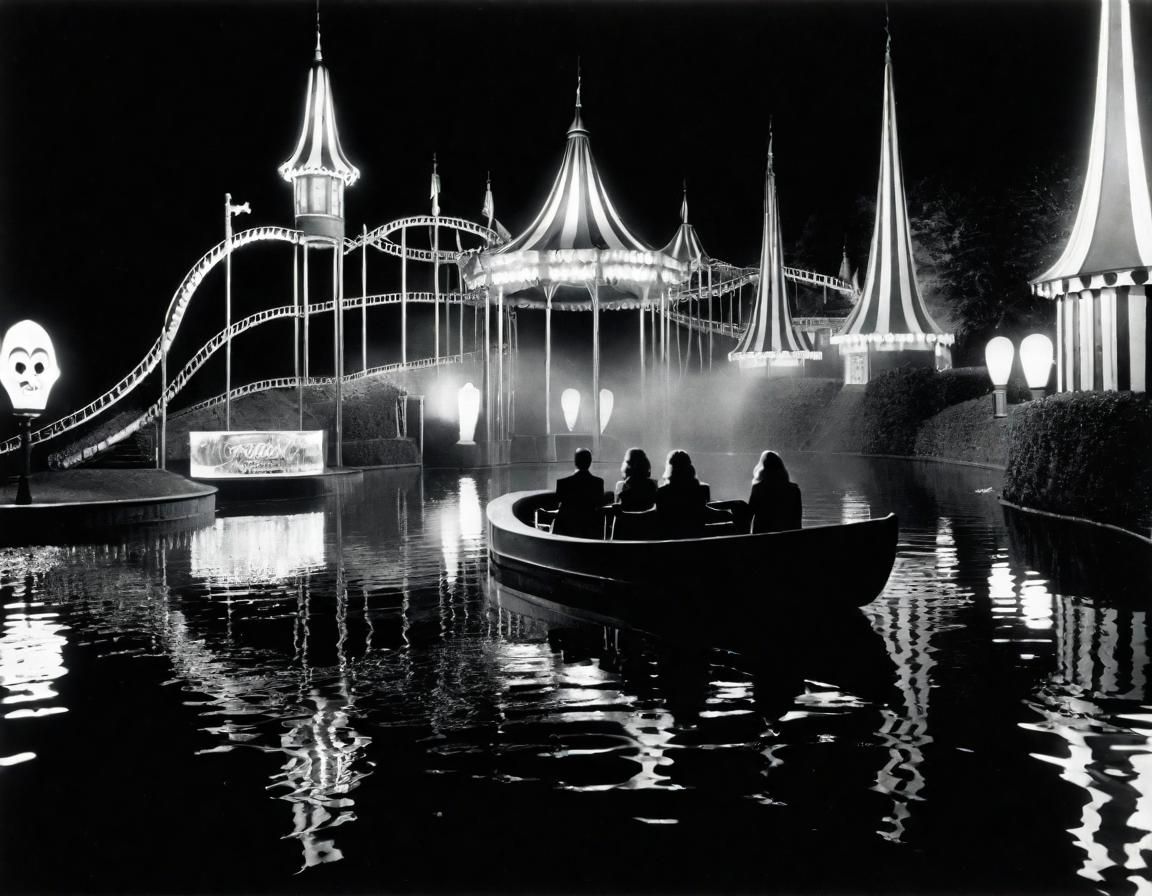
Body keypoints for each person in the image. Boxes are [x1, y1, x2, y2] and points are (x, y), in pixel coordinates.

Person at [655, 450, 711, 538]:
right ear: (690, 466)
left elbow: (660, 519)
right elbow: (704, 515)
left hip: (671, 539)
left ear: (670, 468)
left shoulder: (662, 492)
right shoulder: (703, 489)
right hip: (697, 537)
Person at [553, 448, 607, 538]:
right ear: (590, 461)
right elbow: (599, 504)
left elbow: (556, 504)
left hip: (567, 529)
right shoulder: (598, 483)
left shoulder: (563, 483)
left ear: (575, 461)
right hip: (589, 528)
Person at [747, 450, 802, 533]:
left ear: (764, 468)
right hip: (787, 537)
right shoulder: (794, 490)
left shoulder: (758, 489)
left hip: (762, 537)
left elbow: (749, 515)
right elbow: (797, 519)